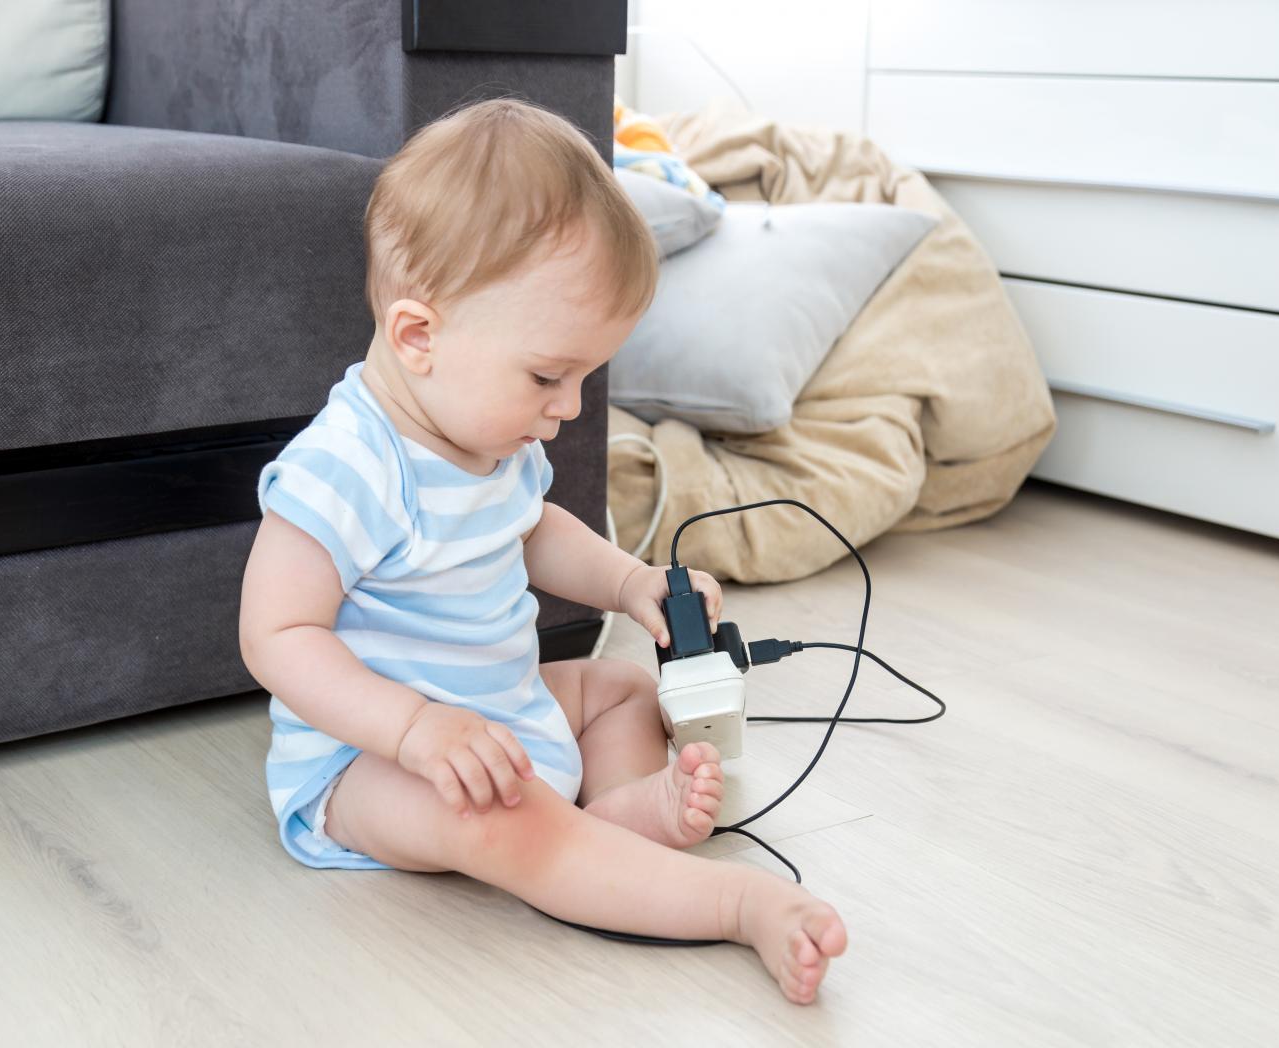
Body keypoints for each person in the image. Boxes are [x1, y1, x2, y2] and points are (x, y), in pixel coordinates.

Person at [238, 98, 845, 1005]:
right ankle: (728, 903)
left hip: (501, 707)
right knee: (496, 821)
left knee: (626, 690)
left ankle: (615, 817)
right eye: (547, 376)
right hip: (371, 764)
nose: (568, 407)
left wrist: (630, 580)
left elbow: (534, 532)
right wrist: (414, 728)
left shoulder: (492, 441)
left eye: (584, 378)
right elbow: (276, 635)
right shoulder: (346, 466)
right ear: (419, 336)